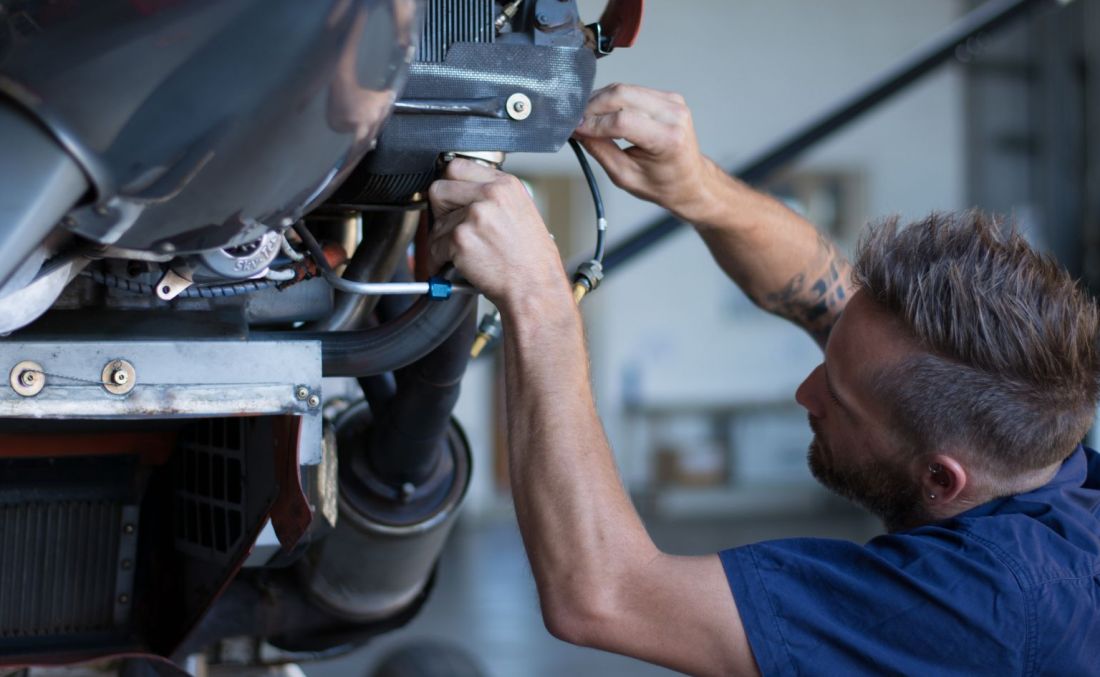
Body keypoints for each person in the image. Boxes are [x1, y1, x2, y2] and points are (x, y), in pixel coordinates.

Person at [426, 84, 1100, 675]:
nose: (804, 392)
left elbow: (605, 594)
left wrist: (540, 300)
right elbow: (827, 289)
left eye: (835, 397)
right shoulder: (1039, 445)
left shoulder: (989, 606)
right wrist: (695, 186)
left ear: (941, 479)